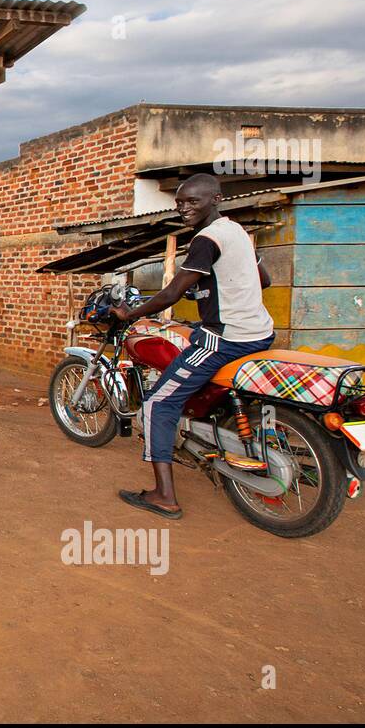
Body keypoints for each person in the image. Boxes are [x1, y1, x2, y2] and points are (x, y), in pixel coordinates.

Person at [109, 173, 274, 519]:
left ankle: (163, 495)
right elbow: (265, 279)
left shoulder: (206, 239)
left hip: (226, 339)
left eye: (192, 202)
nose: (184, 208)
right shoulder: (237, 231)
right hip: (260, 332)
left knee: (157, 404)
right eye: (180, 202)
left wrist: (130, 314)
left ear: (215, 199)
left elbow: (171, 293)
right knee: (190, 339)